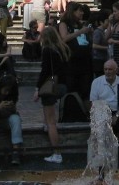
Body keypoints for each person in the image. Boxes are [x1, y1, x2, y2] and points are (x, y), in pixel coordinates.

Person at [35, 26, 70, 164]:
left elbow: (45, 71)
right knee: (50, 118)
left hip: (50, 86)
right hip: (61, 85)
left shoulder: (48, 50)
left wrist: (37, 88)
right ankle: (46, 126)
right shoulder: (61, 49)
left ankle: (57, 153)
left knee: (51, 122)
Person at [90, 59, 119, 157]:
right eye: (105, 69)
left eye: (110, 69)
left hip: (118, 110)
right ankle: (103, 147)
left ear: (116, 70)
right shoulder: (96, 82)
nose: (107, 72)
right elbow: (93, 103)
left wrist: (117, 115)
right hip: (102, 110)